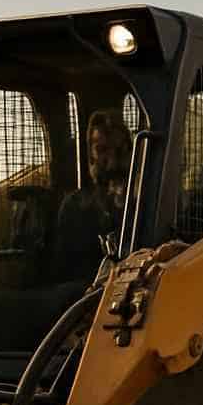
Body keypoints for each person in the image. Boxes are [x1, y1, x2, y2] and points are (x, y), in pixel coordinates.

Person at [51, 108, 134, 285]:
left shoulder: (143, 202)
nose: (111, 160)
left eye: (118, 150)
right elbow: (63, 272)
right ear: (91, 155)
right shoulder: (74, 206)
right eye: (102, 150)